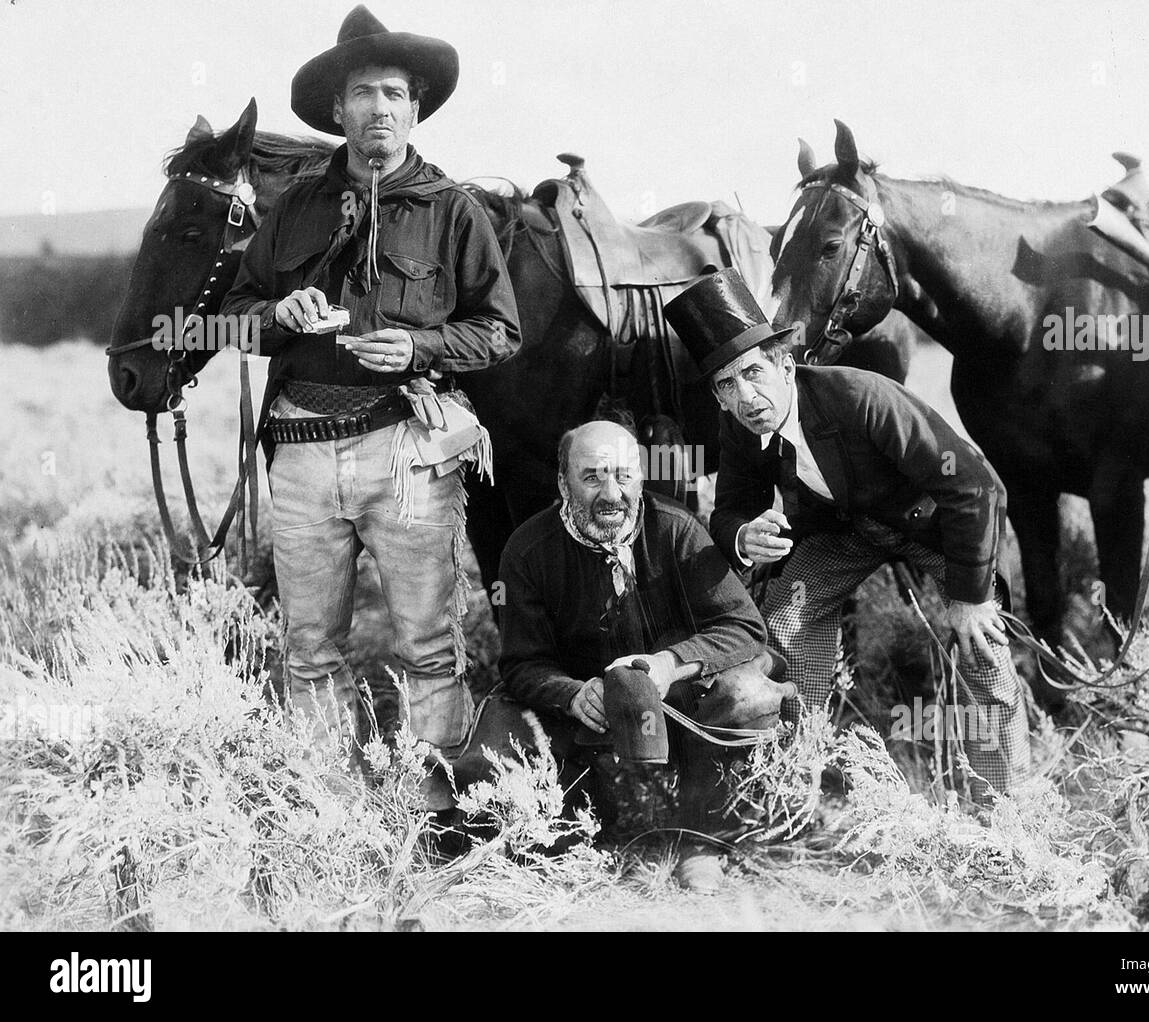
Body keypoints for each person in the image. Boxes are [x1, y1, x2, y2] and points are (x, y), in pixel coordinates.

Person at [219, 5, 520, 801]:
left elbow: (500, 331)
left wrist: (421, 348)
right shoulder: (294, 209)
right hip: (301, 448)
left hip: (407, 448)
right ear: (337, 109)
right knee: (310, 646)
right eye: (362, 93)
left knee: (427, 642)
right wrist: (275, 316)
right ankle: (331, 803)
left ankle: (435, 800)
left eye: (393, 92)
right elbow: (236, 315)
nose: (378, 107)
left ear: (415, 108)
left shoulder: (453, 211)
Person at [665, 269, 1031, 803]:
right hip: (842, 532)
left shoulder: (860, 395)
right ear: (718, 399)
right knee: (781, 627)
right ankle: (794, 785)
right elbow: (729, 510)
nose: (746, 397)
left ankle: (1006, 806)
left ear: (785, 365)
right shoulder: (739, 425)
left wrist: (971, 597)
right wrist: (743, 534)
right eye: (726, 385)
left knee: (980, 643)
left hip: (931, 523)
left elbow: (975, 487)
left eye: (753, 372)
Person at [458, 419, 791, 891]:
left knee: (748, 695)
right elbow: (521, 664)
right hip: (583, 708)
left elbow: (744, 627)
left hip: (677, 699)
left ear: (641, 477)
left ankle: (701, 839)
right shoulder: (527, 550)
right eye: (592, 477)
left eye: (624, 475)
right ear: (563, 484)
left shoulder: (676, 527)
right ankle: (577, 827)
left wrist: (669, 665)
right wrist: (572, 695)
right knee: (493, 750)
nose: (611, 493)